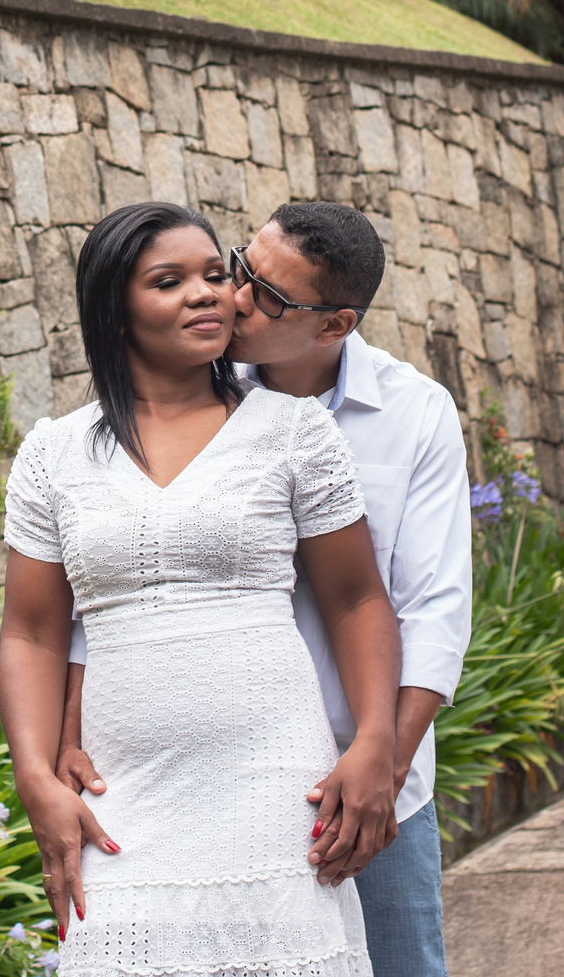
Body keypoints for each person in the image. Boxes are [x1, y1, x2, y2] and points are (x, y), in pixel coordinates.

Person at [59, 201, 471, 977]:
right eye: (242, 266)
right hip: (191, 782)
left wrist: (380, 766)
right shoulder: (187, 388)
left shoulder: (413, 415)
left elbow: (432, 611)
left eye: (269, 297)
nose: (235, 297)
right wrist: (69, 732)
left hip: (355, 783)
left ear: (334, 324)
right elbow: (119, 579)